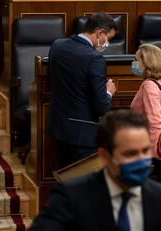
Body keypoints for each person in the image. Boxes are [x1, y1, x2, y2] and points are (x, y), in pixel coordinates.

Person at [27, 109, 161, 231]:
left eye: (145, 151)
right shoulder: (71, 196)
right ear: (104, 157)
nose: (141, 160)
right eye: (130, 154)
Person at [46, 12, 117, 169]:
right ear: (100, 32)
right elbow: (102, 107)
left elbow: (50, 83)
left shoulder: (57, 45)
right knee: (83, 187)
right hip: (83, 136)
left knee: (65, 180)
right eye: (109, 38)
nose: (107, 44)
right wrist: (108, 93)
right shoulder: (95, 59)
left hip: (58, 128)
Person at [130, 44, 161, 186]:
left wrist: (152, 155)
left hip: (154, 149)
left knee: (153, 196)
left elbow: (155, 121)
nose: (134, 64)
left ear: (147, 62)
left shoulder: (149, 85)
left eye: (136, 60)